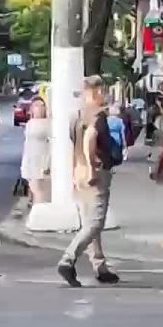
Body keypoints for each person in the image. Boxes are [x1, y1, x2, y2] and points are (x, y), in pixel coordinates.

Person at [57, 75, 121, 287]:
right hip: (95, 173)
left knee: (89, 221)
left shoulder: (76, 115)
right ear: (97, 91)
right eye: (103, 91)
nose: (104, 95)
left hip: (79, 172)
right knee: (95, 222)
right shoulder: (97, 116)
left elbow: (73, 144)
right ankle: (68, 259)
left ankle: (99, 266)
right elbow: (89, 138)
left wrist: (74, 172)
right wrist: (92, 166)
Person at [21, 97, 52, 203]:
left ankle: (38, 208)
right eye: (37, 106)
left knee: (40, 191)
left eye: (42, 106)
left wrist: (48, 163)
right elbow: (27, 144)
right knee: (34, 189)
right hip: (31, 159)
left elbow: (51, 143)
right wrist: (25, 165)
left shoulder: (49, 123)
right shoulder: (30, 123)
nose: (40, 108)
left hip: (42, 159)